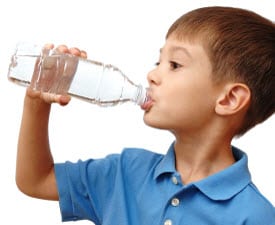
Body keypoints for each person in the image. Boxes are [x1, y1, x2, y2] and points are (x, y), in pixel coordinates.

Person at [15, 6, 275, 225]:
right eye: (157, 62)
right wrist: (37, 102)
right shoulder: (125, 172)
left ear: (229, 99)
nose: (152, 75)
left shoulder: (254, 216)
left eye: (175, 65)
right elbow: (36, 180)